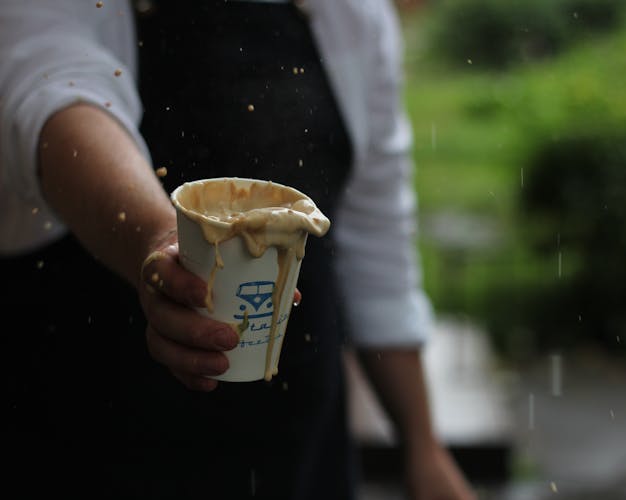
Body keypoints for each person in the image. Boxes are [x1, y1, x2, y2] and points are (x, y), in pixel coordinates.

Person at [0, 0, 476, 498]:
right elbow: (54, 100)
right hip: (88, 436)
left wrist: (423, 448)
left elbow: (376, 245)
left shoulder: (351, 12)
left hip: (301, 454)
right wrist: (158, 240)